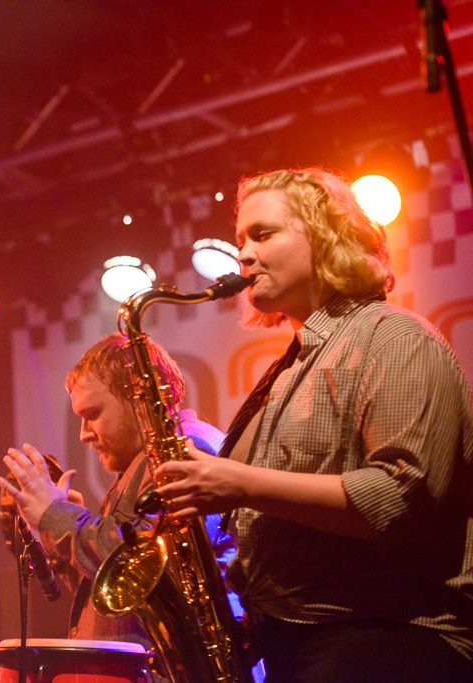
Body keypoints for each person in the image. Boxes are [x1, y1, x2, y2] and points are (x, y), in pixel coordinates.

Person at [153, 168, 473, 681]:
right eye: (242, 240)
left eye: (263, 234)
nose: (244, 255)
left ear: (324, 239)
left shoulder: (394, 337)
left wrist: (239, 484)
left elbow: (400, 500)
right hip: (305, 644)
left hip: (390, 639)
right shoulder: (290, 367)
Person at [0, 332, 232, 645]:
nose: (83, 434)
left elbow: (143, 567)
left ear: (139, 400)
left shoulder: (186, 449)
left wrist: (56, 517)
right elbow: (116, 595)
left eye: (93, 415)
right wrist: (59, 532)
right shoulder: (141, 462)